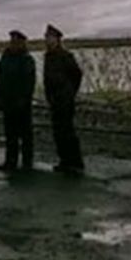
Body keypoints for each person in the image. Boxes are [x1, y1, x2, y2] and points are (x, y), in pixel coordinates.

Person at [42, 24, 84, 174]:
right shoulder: (48, 57)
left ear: (57, 39)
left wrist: (70, 92)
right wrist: (49, 96)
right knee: (58, 132)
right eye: (46, 37)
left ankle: (76, 162)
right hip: (54, 99)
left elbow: (77, 75)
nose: (47, 40)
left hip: (65, 100)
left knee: (68, 131)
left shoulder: (66, 56)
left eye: (50, 37)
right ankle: (64, 161)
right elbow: (47, 79)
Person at [0, 29, 35, 170]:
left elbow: (29, 82)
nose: (14, 44)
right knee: (10, 134)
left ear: (22, 43)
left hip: (22, 104)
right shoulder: (5, 58)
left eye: (17, 42)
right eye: (12, 41)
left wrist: (24, 99)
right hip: (7, 102)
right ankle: (10, 161)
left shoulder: (27, 59)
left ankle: (27, 162)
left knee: (25, 134)